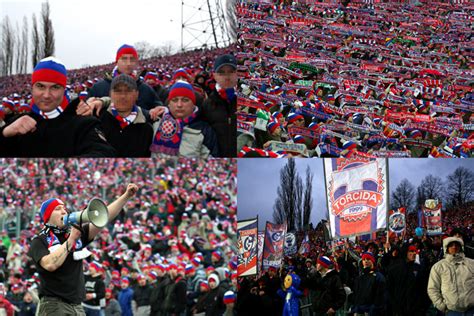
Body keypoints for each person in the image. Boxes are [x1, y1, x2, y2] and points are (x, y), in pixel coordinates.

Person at [28, 183, 138, 315]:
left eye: (64, 208)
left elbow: (104, 217)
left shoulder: (74, 233)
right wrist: (71, 240)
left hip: (77, 305)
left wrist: (126, 197)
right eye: (57, 209)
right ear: (47, 216)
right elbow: (50, 264)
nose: (64, 211)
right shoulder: (40, 240)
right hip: (53, 305)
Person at [0, 57, 117, 157]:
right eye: (40, 86)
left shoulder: (83, 123)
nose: (46, 95)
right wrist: (4, 134)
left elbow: (104, 154)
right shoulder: (16, 123)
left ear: (64, 90)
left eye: (55, 87)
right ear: (32, 88)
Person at [150, 81, 219, 158]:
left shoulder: (205, 130)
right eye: (175, 100)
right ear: (169, 104)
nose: (179, 105)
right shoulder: (156, 121)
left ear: (193, 104)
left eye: (185, 100)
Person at [86, 44, 161, 111]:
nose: (128, 63)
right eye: (124, 59)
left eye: (132, 59)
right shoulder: (99, 87)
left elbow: (160, 108)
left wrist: (160, 110)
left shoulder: (146, 89)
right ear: (116, 62)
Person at [98, 74, 154, 157]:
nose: (123, 96)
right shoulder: (97, 119)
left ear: (137, 94)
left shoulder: (148, 127)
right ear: (110, 94)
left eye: (128, 91)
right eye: (117, 91)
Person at [201, 54, 237, 157]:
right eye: (221, 72)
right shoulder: (207, 105)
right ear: (215, 76)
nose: (227, 76)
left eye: (231, 71)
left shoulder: (248, 102)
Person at [427, 236, 474, 315]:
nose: (454, 247)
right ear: (446, 248)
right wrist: (442, 306)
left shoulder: (471, 264)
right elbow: (432, 289)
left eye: (456, 244)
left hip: (471, 310)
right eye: (451, 245)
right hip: (452, 312)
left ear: (461, 247)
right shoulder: (438, 267)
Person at [386, 244, 430, 316]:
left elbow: (424, 289)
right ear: (405, 252)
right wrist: (394, 306)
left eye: (415, 251)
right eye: (411, 251)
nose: (414, 253)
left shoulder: (419, 268)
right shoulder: (394, 269)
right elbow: (389, 289)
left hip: (416, 309)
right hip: (399, 309)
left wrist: (423, 307)